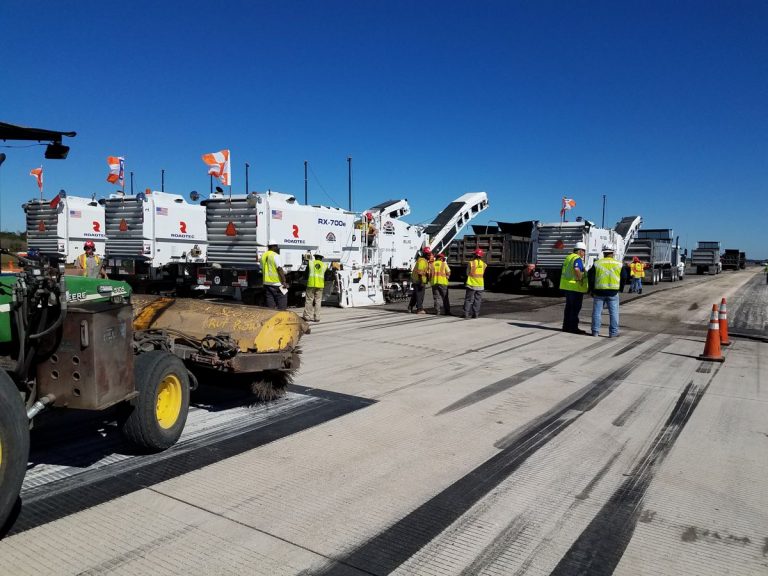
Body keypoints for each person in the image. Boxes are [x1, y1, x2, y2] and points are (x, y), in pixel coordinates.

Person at [589, 245, 622, 337]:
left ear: (603, 253)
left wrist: (591, 290)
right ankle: (613, 333)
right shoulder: (618, 263)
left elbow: (591, 278)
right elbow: (624, 276)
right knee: (614, 313)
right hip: (613, 292)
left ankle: (595, 332)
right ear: (613, 253)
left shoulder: (597, 263)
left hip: (599, 292)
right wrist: (620, 288)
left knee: (597, 312)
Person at [559, 241, 588, 334]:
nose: (584, 254)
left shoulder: (568, 258)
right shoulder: (577, 258)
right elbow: (576, 269)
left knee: (568, 308)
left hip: (567, 287)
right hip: (575, 287)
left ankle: (566, 326)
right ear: (580, 251)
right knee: (575, 308)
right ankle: (573, 327)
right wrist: (580, 279)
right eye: (584, 251)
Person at [261, 239, 288, 310]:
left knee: (270, 302)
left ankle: (271, 316)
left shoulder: (263, 255)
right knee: (282, 300)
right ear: (273, 247)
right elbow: (279, 268)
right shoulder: (275, 255)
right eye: (276, 246)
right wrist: (284, 281)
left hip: (267, 282)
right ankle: (282, 317)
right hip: (277, 283)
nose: (277, 248)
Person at [302, 253, 327, 322]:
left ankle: (307, 317)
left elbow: (305, 274)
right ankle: (317, 317)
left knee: (309, 300)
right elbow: (327, 276)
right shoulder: (324, 265)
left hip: (311, 284)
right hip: (320, 285)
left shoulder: (311, 263)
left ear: (315, 257)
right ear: (322, 258)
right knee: (318, 301)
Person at [463, 248, 485, 319]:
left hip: (471, 284)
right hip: (480, 285)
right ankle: (475, 314)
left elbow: (467, 273)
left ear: (475, 255)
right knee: (477, 300)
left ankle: (466, 314)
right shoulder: (484, 264)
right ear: (481, 256)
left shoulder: (471, 263)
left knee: (468, 300)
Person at [408, 247, 431, 314]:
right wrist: (421, 282)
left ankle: (410, 307)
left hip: (417, 280)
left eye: (429, 254)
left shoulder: (424, 260)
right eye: (428, 254)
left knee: (416, 295)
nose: (429, 256)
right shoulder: (422, 261)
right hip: (419, 280)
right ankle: (419, 309)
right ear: (424, 254)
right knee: (420, 295)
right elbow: (420, 272)